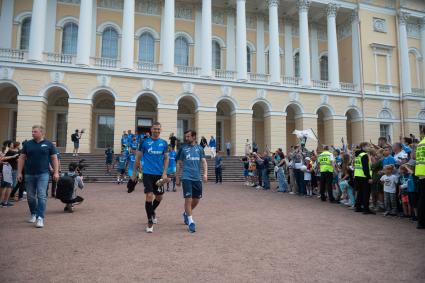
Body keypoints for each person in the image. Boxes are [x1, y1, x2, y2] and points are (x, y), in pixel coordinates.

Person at [17, 125, 59, 228]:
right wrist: (19, 172)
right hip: (29, 174)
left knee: (41, 195)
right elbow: (21, 158)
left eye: (35, 131)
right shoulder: (27, 144)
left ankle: (40, 218)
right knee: (30, 197)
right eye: (32, 131)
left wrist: (56, 172)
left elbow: (54, 158)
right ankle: (34, 214)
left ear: (41, 133)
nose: (33, 133)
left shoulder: (48, 144)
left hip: (43, 174)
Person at [131, 122, 169, 233]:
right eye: (155, 129)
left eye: (158, 129)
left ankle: (152, 211)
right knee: (149, 195)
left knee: (159, 197)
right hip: (147, 173)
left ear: (160, 130)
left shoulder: (164, 143)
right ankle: (150, 221)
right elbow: (137, 158)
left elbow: (166, 158)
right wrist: (134, 172)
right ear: (151, 129)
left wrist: (165, 172)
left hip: (159, 174)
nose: (157, 131)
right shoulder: (144, 142)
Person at [176, 130, 208, 233]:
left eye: (188, 136)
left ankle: (186, 213)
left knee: (196, 200)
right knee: (188, 200)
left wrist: (205, 174)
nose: (186, 138)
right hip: (186, 177)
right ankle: (191, 222)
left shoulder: (200, 149)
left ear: (194, 137)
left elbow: (204, 162)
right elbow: (179, 163)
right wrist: (177, 177)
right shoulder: (183, 148)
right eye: (185, 136)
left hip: (197, 178)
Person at [354, 142, 375, 214]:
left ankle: (358, 207)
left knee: (360, 192)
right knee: (366, 193)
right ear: (363, 147)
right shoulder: (364, 155)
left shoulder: (358, 155)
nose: (369, 147)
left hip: (357, 175)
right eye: (368, 146)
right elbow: (365, 167)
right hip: (364, 176)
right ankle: (366, 209)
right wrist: (369, 177)